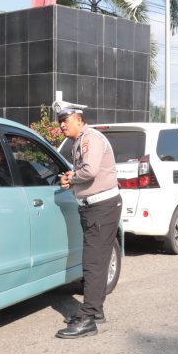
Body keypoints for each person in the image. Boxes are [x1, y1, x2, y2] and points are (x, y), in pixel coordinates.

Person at [56, 107, 122, 339]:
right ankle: (96, 310)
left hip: (101, 207)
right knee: (98, 260)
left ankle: (88, 318)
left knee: (93, 262)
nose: (62, 125)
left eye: (66, 120)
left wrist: (70, 178)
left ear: (79, 120)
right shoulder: (80, 140)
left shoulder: (90, 138)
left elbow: (90, 171)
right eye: (60, 121)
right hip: (98, 207)